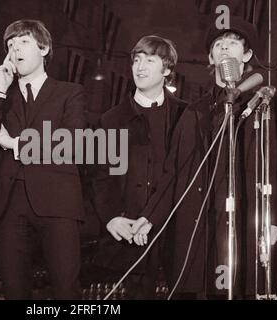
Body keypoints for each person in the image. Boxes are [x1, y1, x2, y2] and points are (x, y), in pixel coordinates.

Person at [132, 17, 277, 299]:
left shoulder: (265, 105)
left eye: (234, 43)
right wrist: (149, 216)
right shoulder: (195, 112)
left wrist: (273, 219)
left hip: (248, 222)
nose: (225, 48)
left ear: (247, 55)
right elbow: (175, 172)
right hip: (201, 226)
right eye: (219, 44)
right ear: (211, 57)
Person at [0, 19, 86, 299]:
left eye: (23, 42)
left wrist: (13, 144)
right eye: (10, 45)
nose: (15, 50)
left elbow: (69, 141)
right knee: (14, 290)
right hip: (9, 204)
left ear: (44, 48)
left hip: (58, 203)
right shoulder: (0, 98)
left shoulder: (70, 93)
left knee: (66, 289)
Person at [92, 35, 187, 298]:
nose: (140, 67)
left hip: (176, 230)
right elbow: (102, 177)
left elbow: (188, 174)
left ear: (167, 69)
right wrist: (112, 217)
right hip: (129, 231)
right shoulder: (110, 120)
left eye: (149, 60)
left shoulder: (186, 116)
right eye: (136, 60)